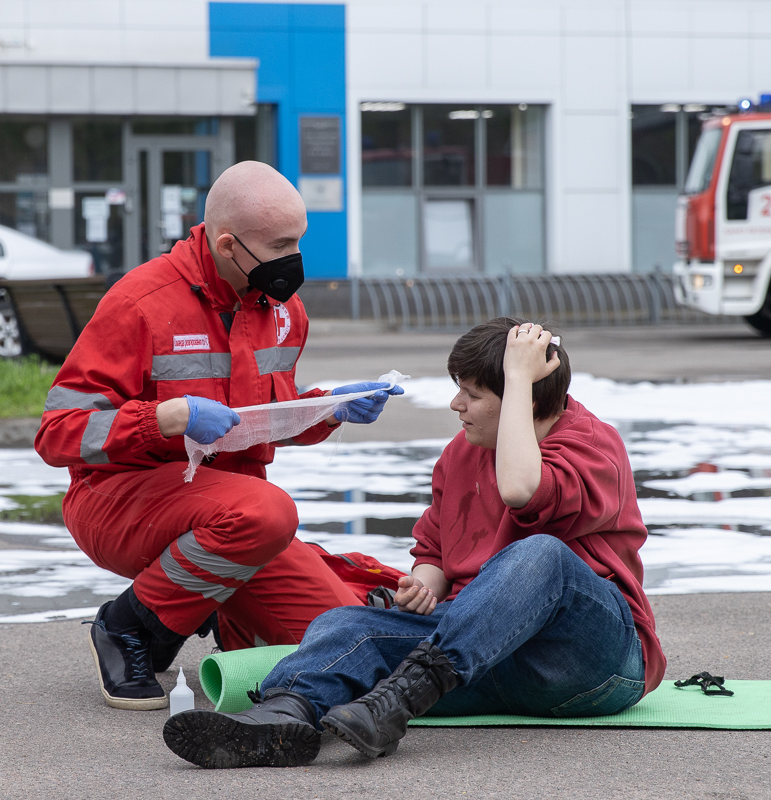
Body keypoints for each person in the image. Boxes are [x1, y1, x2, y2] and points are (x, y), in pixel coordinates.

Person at [163, 317, 666, 768]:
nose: (456, 404)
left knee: (542, 555)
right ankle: (278, 720)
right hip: (482, 656)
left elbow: (521, 490)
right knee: (345, 624)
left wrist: (517, 376)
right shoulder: (460, 454)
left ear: (522, 398)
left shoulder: (591, 444)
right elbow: (435, 553)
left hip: (590, 662)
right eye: (458, 388)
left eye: (472, 393)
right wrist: (423, 584)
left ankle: (400, 697)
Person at [34, 161, 403, 711]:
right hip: (121, 500)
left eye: (298, 239)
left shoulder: (283, 309)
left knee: (353, 651)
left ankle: (215, 601)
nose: (293, 257)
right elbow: (57, 434)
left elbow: (260, 418)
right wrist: (167, 418)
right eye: (280, 243)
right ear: (228, 245)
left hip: (232, 512)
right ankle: (129, 626)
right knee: (268, 513)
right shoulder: (141, 302)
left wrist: (327, 409)